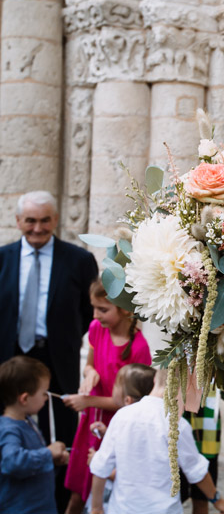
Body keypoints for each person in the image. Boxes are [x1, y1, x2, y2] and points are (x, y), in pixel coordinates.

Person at [0, 190, 98, 511]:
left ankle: (52, 503)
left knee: (60, 434)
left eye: (45, 220)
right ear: (18, 221)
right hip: (10, 360)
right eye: (30, 221)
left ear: (55, 220)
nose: (38, 228)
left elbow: (88, 312)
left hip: (58, 361)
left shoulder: (80, 261)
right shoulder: (3, 258)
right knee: (9, 432)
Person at [89, 369, 224, 514]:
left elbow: (101, 466)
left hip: (122, 508)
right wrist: (217, 500)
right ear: (189, 389)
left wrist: (96, 508)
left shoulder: (122, 416)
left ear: (155, 381)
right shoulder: (178, 425)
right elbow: (196, 470)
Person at [62, 278, 152, 514]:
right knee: (77, 491)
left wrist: (87, 401)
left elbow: (131, 402)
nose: (95, 315)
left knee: (108, 487)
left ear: (123, 309)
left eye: (102, 309)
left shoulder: (139, 348)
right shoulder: (96, 329)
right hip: (92, 420)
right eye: (93, 308)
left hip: (116, 424)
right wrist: (90, 373)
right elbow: (89, 365)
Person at [0, 356, 69, 514]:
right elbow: (13, 463)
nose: (46, 397)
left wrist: (54, 461)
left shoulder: (28, 422)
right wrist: (48, 453)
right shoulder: (9, 430)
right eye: (44, 393)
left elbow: (33, 464)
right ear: (24, 398)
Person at [86, 363, 157, 513]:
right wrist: (106, 434)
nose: (112, 388)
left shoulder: (120, 419)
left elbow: (130, 472)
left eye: (116, 385)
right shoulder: (149, 423)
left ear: (128, 400)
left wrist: (95, 459)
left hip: (125, 503)